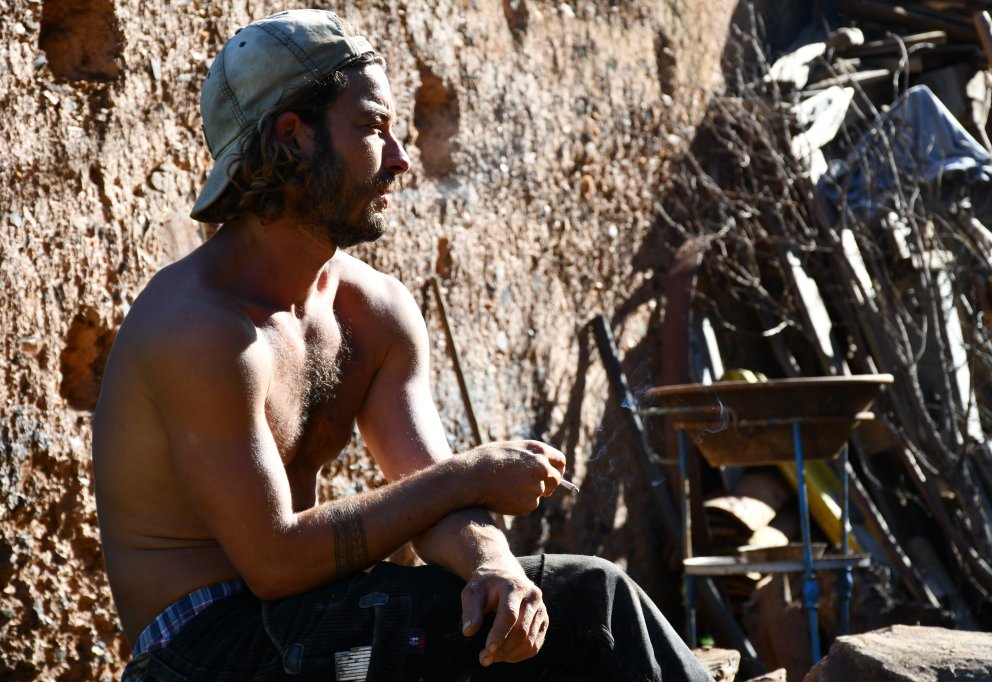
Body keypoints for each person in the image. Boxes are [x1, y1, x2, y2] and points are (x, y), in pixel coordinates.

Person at [91, 9, 714, 681]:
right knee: (595, 602)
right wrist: (472, 474)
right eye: (371, 128)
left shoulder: (372, 311)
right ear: (293, 137)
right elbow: (275, 562)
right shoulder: (204, 330)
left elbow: (431, 489)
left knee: (542, 610)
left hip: (306, 618)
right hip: (201, 649)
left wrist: (494, 568)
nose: (400, 158)